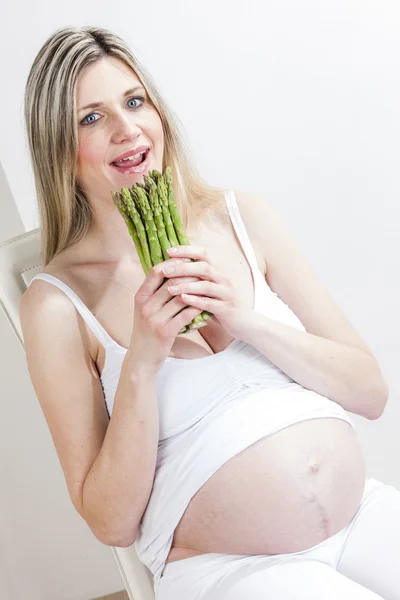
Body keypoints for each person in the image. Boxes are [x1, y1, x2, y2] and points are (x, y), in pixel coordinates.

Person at [20, 26, 399, 600]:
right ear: (59, 151)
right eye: (90, 119)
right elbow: (110, 521)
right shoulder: (56, 305)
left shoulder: (241, 217)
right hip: (230, 568)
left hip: (359, 515)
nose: (128, 129)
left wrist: (246, 321)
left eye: (134, 100)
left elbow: (369, 392)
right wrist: (143, 361)